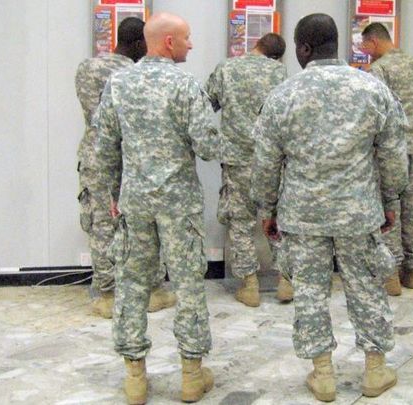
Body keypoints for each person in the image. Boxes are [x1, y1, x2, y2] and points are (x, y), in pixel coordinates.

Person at [251, 13, 408, 401]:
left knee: (309, 293)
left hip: (303, 216)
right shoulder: (372, 88)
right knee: (367, 287)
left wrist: (268, 209)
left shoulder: (283, 95)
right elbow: (392, 155)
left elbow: (266, 163)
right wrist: (390, 201)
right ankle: (375, 370)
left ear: (303, 49)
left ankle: (322, 374)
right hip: (359, 212)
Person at [94, 12, 217, 404]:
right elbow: (209, 147)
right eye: (187, 38)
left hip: (135, 202)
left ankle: (134, 379)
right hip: (179, 204)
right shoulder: (185, 86)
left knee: (131, 286)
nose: (191, 44)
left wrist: (116, 194)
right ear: (168, 42)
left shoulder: (118, 83)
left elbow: (104, 149)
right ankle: (191, 377)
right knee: (189, 286)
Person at [75, 17, 175, 318]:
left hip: (96, 160)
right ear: (138, 43)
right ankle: (153, 289)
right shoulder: (138, 76)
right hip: (135, 161)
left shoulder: (86, 68)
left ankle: (106, 294)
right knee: (144, 226)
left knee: (102, 225)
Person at [205, 33, 290, 307]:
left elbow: (207, 102)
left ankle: (249, 285)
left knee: (240, 222)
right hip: (272, 161)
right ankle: (286, 281)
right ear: (276, 56)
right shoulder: (281, 72)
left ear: (257, 46)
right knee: (276, 218)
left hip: (237, 160)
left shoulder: (227, 67)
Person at [360, 22, 413, 295]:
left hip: (390, 152)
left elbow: (374, 114)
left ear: (374, 42)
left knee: (389, 211)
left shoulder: (379, 69)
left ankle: (390, 275)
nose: (364, 53)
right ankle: (411, 271)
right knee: (412, 209)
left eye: (364, 46)